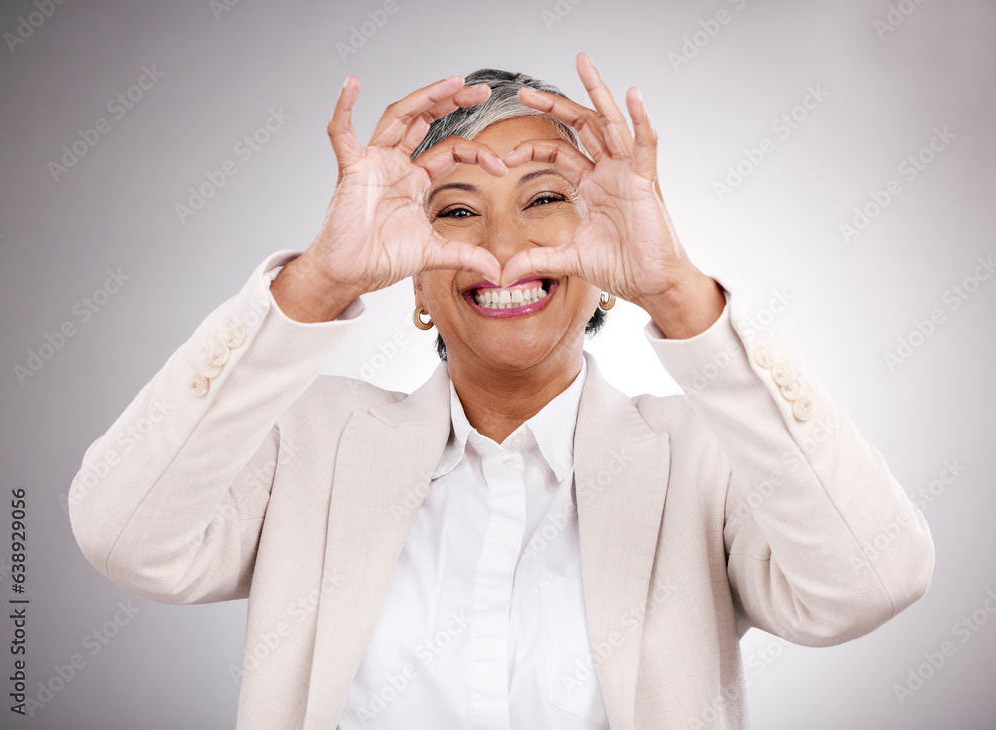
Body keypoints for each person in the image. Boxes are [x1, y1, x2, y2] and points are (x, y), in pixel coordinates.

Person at [68, 53, 934, 729]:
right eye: (454, 210)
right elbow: (125, 534)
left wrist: (677, 292)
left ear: (603, 262)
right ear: (410, 275)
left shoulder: (700, 459)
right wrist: (321, 282)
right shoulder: (311, 443)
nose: (505, 247)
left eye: (545, 199)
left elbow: (872, 579)